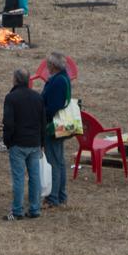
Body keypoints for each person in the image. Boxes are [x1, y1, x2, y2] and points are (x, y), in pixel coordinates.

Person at [2, 68, 45, 221]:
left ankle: (17, 211)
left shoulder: (11, 98)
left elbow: (8, 123)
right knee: (35, 177)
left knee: (19, 178)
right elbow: (43, 122)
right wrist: (42, 142)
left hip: (18, 143)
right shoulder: (37, 97)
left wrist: (7, 141)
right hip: (34, 142)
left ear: (15, 80)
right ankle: (35, 209)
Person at [40, 52, 72, 210]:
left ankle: (53, 197)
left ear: (52, 66)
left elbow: (53, 106)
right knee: (59, 161)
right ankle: (61, 195)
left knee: (53, 162)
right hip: (60, 125)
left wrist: (42, 114)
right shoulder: (63, 78)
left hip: (53, 126)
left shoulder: (58, 81)